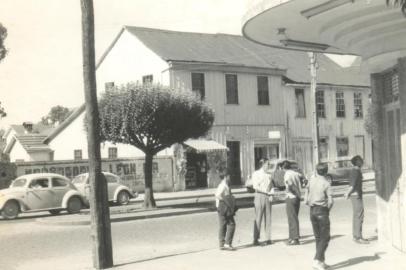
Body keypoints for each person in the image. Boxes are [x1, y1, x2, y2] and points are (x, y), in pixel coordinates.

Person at [305, 163, 334, 270]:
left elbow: (306, 197)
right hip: (322, 211)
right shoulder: (326, 183)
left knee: (318, 238)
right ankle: (317, 260)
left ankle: (321, 261)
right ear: (326, 172)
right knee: (325, 237)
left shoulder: (311, 181)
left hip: (312, 211)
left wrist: (310, 202)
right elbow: (331, 201)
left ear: (316, 171)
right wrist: (327, 210)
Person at [344, 155, 369, 244]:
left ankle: (356, 236)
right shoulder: (355, 171)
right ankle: (358, 237)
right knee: (359, 216)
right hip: (356, 196)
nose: (362, 162)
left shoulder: (356, 170)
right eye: (361, 161)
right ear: (358, 162)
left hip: (355, 195)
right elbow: (352, 185)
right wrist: (347, 193)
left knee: (356, 216)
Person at [252, 158, 273, 246]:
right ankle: (256, 239)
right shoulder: (256, 173)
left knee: (268, 218)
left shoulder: (269, 175)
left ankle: (268, 238)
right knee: (258, 217)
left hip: (268, 196)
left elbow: (272, 185)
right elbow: (255, 186)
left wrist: (271, 194)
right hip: (259, 195)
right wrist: (266, 191)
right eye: (267, 164)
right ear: (263, 164)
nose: (269, 166)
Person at [215, 171, 237, 250]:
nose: (230, 178)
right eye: (229, 176)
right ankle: (227, 243)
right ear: (225, 176)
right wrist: (226, 201)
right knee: (231, 224)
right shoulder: (223, 186)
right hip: (224, 208)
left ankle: (222, 244)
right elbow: (217, 195)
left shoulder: (225, 185)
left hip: (222, 208)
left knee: (223, 225)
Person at [283, 160, 303, 245]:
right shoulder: (296, 173)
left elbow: (289, 184)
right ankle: (291, 237)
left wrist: (287, 191)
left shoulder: (287, 174)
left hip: (291, 196)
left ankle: (295, 238)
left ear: (283, 167)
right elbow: (303, 179)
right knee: (294, 216)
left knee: (292, 218)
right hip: (297, 197)